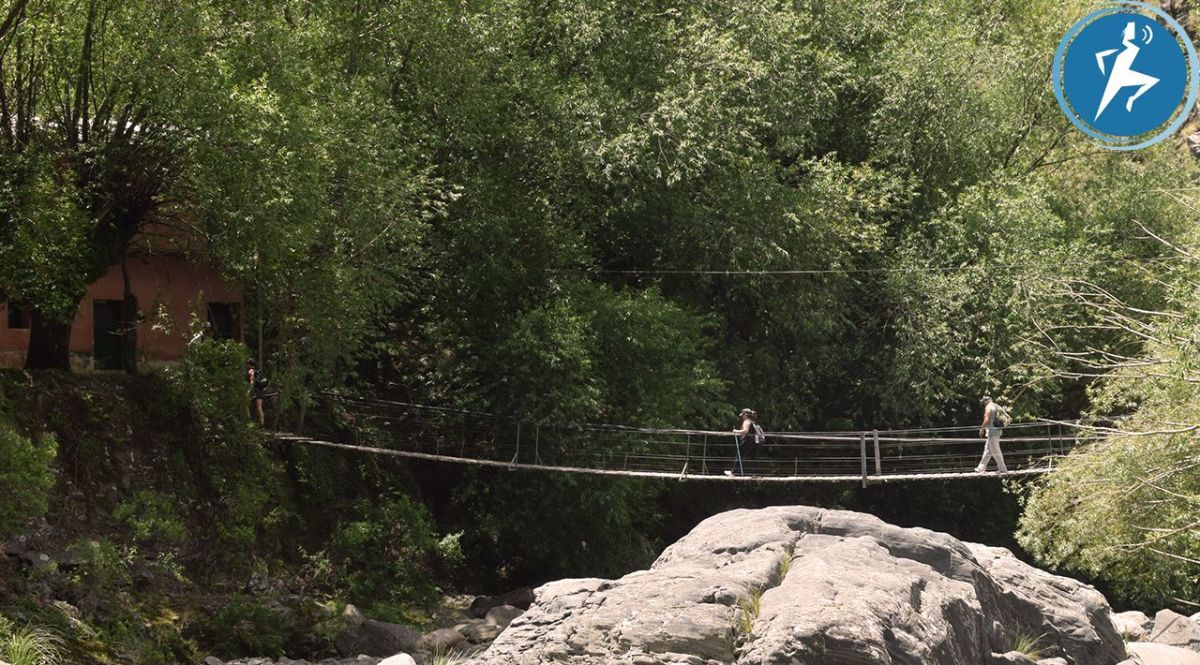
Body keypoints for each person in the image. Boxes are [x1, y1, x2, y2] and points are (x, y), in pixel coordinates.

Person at [725, 408, 763, 476]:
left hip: (748, 441)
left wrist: (736, 431)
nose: (742, 417)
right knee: (753, 457)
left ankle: (733, 472)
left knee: (739, 454)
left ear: (745, 415)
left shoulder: (746, 421)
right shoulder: (752, 422)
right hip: (755, 442)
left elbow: (745, 431)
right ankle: (757, 474)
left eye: (742, 415)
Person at [974, 395, 1007, 474]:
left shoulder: (988, 407)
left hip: (992, 432)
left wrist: (982, 429)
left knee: (996, 450)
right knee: (987, 450)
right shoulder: (997, 406)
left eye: (984, 402)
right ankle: (980, 468)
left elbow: (986, 419)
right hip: (998, 430)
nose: (983, 404)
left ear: (986, 401)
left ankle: (1003, 469)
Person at [245, 358, 267, 426]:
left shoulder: (251, 371)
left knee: (245, 404)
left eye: (247, 364)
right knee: (259, 407)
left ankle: (249, 421)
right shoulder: (257, 372)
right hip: (259, 391)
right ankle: (262, 423)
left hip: (253, 391)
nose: (246, 366)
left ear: (250, 364)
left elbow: (252, 382)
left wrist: (248, 391)